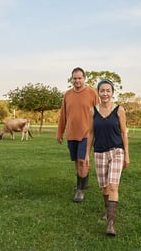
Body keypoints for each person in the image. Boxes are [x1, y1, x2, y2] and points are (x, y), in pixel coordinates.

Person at [85, 79, 130, 236]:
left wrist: (127, 155)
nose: (105, 93)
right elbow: (90, 133)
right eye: (102, 90)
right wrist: (87, 155)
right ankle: (107, 212)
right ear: (99, 93)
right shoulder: (93, 111)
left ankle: (111, 224)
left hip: (116, 151)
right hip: (99, 152)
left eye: (108, 90)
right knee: (104, 187)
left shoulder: (119, 110)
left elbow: (124, 133)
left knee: (113, 186)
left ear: (112, 92)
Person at [56, 67, 99, 202]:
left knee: (82, 160)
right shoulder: (67, 94)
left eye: (80, 78)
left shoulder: (92, 93)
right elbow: (63, 115)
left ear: (84, 78)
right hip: (71, 133)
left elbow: (99, 113)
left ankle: (80, 190)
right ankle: (83, 182)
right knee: (76, 161)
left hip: (86, 133)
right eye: (75, 78)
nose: (77, 80)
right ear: (72, 79)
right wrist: (59, 132)